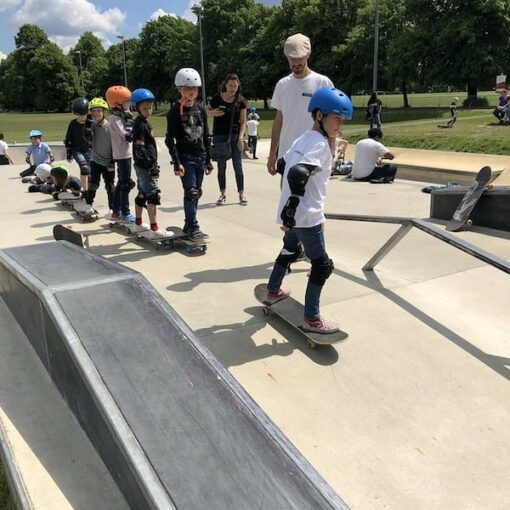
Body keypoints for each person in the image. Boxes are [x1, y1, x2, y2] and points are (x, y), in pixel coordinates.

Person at [263, 87, 352, 333]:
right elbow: (298, 173)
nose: (340, 124)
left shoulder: (303, 138)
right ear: (320, 115)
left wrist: (288, 212)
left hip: (292, 214)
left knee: (290, 248)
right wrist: (293, 211)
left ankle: (273, 290)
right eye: (337, 118)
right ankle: (312, 319)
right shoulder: (320, 144)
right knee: (322, 266)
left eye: (342, 120)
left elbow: (283, 164)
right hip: (306, 216)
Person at [267, 33, 333, 176]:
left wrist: (332, 154)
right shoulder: (282, 85)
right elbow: (278, 121)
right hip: (287, 155)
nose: (296, 63)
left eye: (300, 59)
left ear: (308, 55)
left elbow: (332, 121)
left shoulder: (323, 83)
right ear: (287, 58)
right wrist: (272, 154)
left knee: (313, 198)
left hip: (313, 155)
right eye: (292, 59)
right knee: (287, 197)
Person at [166, 68, 213, 240]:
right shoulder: (174, 112)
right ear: (180, 89)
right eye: (188, 88)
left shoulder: (200, 108)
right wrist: (176, 162)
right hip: (185, 157)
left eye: (195, 88)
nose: (192, 92)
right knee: (191, 192)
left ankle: (188, 223)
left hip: (200, 156)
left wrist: (208, 159)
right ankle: (193, 227)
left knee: (197, 192)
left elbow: (206, 134)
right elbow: (169, 139)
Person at [130, 88, 169, 237]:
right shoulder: (140, 125)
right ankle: (154, 229)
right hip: (145, 166)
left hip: (142, 165)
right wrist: (151, 166)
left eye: (150, 107)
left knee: (142, 194)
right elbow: (140, 149)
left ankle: (138, 224)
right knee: (153, 195)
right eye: (144, 108)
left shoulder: (143, 122)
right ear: (137, 108)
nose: (148, 110)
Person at [207, 73, 248, 205]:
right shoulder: (217, 98)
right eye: (230, 85)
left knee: (238, 165)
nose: (233, 88)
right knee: (221, 166)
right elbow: (205, 111)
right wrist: (213, 113)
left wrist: (241, 138)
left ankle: (241, 194)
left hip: (235, 136)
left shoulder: (240, 101)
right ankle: (222, 194)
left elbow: (243, 122)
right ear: (225, 85)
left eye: (235, 85)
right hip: (219, 136)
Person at [106, 85, 136, 223]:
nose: (128, 104)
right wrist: (130, 122)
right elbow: (127, 136)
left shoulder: (122, 115)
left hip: (127, 153)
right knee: (125, 184)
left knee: (122, 182)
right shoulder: (114, 119)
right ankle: (125, 212)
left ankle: (115, 209)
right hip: (121, 154)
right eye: (126, 102)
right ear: (117, 104)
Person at [82, 97, 115, 216]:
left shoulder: (110, 126)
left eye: (99, 111)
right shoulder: (93, 125)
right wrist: (87, 123)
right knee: (94, 183)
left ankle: (112, 208)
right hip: (95, 159)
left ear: (104, 112)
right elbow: (87, 137)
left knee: (110, 185)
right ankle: (88, 204)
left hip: (108, 161)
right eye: (93, 111)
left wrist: (112, 161)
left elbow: (114, 145)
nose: (96, 114)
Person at [64, 97, 92, 194]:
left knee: (90, 174)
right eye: (79, 115)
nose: (82, 117)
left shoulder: (91, 123)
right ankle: (85, 190)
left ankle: (83, 188)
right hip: (77, 150)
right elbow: (68, 139)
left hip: (89, 150)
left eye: (84, 114)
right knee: (84, 167)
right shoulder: (73, 124)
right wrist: (69, 153)